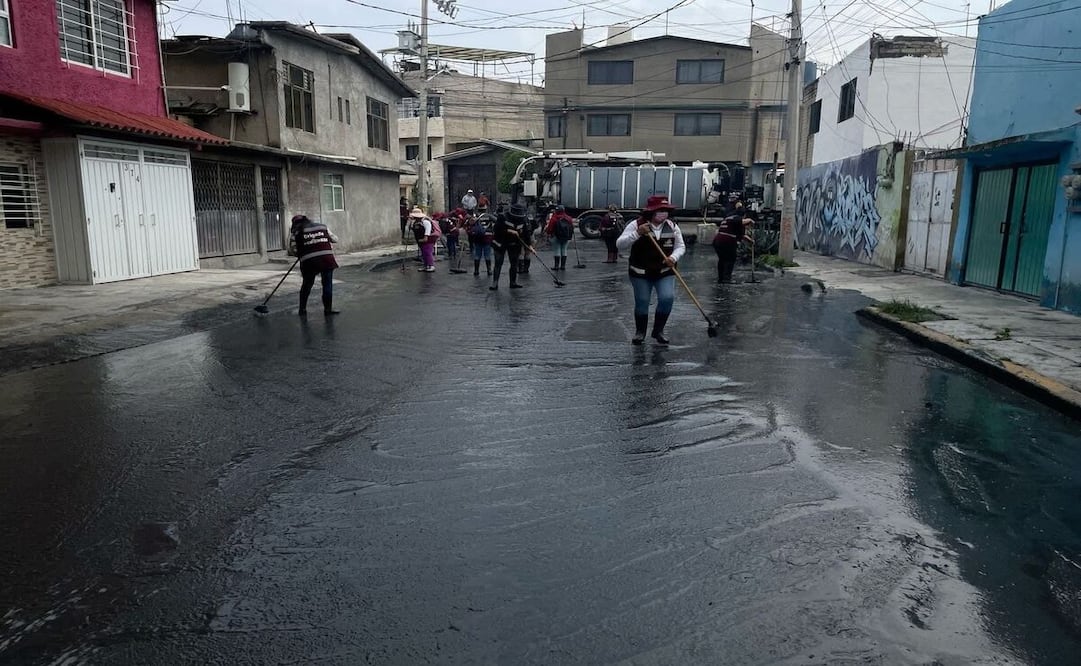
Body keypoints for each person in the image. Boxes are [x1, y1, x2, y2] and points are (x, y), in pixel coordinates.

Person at [615, 195, 686, 345]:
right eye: (660, 210)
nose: (663, 213)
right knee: (642, 301)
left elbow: (680, 246)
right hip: (641, 272)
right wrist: (637, 234)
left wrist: (673, 257)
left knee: (667, 298)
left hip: (665, 271)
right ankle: (640, 332)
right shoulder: (636, 225)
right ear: (651, 211)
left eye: (666, 210)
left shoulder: (672, 226)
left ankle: (658, 331)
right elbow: (620, 244)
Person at [290, 214, 340, 316]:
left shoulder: (296, 233)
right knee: (327, 284)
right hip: (327, 259)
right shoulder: (322, 227)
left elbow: (293, 250)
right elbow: (335, 239)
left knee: (307, 285)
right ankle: (328, 310)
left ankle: (302, 309)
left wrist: (301, 252)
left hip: (309, 262)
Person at [491, 202, 530, 290]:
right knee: (498, 263)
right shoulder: (503, 217)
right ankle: (495, 282)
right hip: (500, 243)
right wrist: (509, 231)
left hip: (514, 244)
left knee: (514, 263)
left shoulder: (523, 219)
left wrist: (529, 246)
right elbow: (496, 229)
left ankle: (513, 282)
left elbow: (526, 233)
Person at [712, 208, 753, 283]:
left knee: (722, 259)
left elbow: (742, 235)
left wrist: (751, 241)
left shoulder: (728, 219)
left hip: (717, 241)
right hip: (727, 240)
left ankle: (721, 277)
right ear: (744, 215)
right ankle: (727, 278)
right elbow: (741, 221)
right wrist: (750, 220)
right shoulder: (736, 218)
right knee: (730, 259)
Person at [545, 205, 576, 270]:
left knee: (557, 250)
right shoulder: (569, 218)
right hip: (566, 237)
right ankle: (563, 266)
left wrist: (548, 234)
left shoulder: (554, 218)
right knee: (564, 250)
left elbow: (550, 229)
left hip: (556, 237)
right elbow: (571, 228)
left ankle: (556, 266)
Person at [409, 207, 438, 272]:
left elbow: (428, 230)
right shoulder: (416, 222)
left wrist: (425, 237)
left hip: (428, 240)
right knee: (424, 253)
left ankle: (431, 265)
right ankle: (426, 265)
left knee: (428, 252)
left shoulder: (425, 222)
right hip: (420, 240)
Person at [469, 212, 495, 276]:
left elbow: (469, 225)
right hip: (487, 238)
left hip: (477, 238)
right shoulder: (489, 216)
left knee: (477, 254)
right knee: (487, 255)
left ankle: (476, 271)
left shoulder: (475, 217)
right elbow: (497, 221)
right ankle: (489, 270)